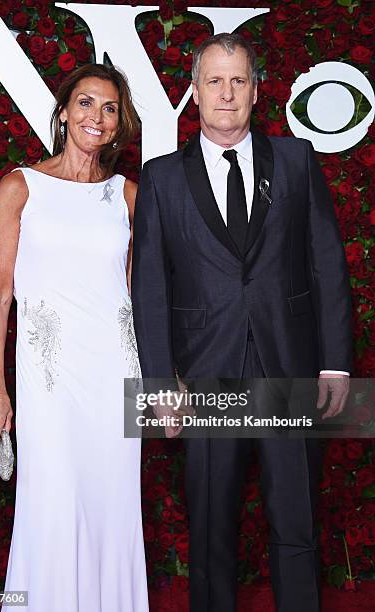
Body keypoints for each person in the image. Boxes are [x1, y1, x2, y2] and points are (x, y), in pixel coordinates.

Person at [131, 33, 352, 612]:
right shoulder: (161, 178)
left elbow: (327, 265)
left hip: (290, 368)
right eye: (214, 81)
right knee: (209, 530)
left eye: (237, 81)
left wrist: (334, 364)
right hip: (203, 376)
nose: (226, 93)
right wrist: (158, 384)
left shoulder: (298, 160)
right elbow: (149, 287)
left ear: (256, 91)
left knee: (296, 520)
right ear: (195, 93)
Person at [0, 63, 148, 612]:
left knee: (112, 505)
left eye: (109, 108)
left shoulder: (127, 196)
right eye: (85, 103)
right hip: (49, 380)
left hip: (115, 377)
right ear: (62, 112)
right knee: (51, 504)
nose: (95, 117)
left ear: (119, 124)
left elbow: (138, 294)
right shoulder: (19, 187)